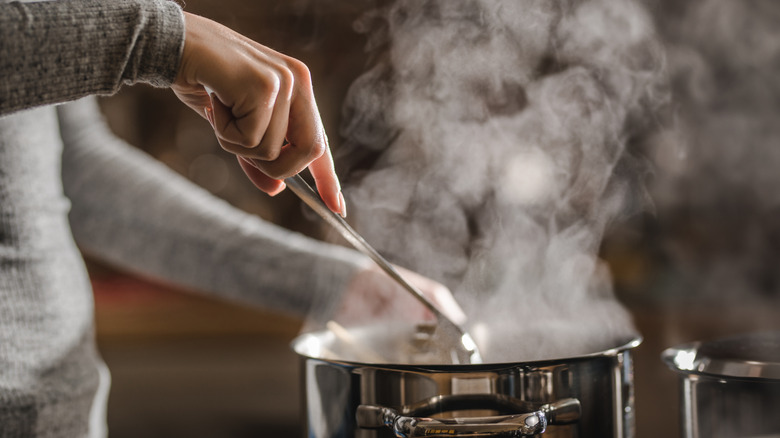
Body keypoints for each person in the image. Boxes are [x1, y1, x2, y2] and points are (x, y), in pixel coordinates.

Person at [0, 0, 464, 436]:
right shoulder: (154, 39)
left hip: (63, 413)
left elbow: (74, 174)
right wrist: (162, 42)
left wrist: (336, 282)